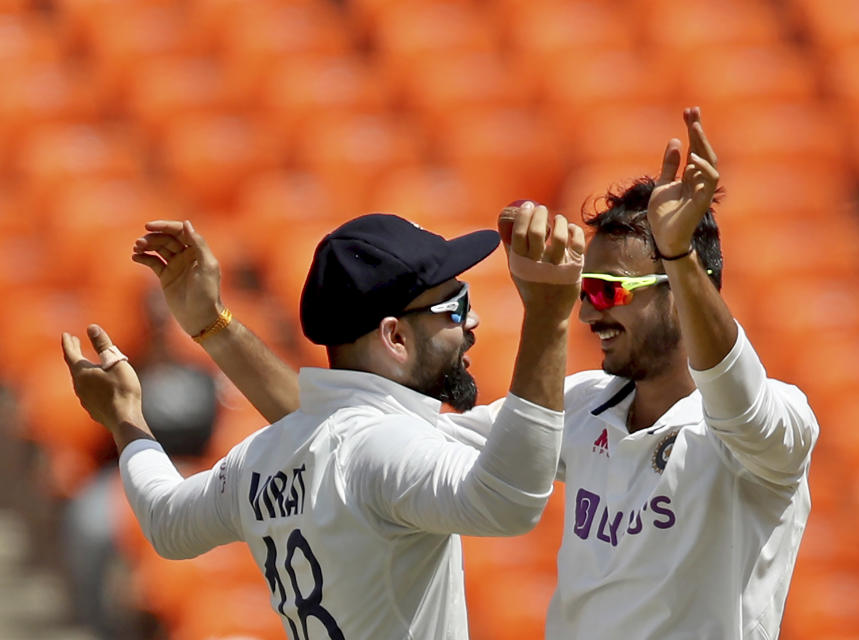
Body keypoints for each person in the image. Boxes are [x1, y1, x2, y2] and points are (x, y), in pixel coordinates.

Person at [131, 107, 818, 638]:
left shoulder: (773, 432)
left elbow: (737, 399)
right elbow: (347, 433)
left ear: (681, 288)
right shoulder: (585, 408)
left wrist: (680, 256)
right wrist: (216, 329)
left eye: (610, 292)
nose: (591, 314)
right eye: (586, 292)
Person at [63, 206, 586, 639]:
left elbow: (165, 522)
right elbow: (509, 502)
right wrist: (549, 313)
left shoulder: (264, 455)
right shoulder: (383, 445)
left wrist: (126, 420)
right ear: (395, 338)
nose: (471, 323)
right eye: (454, 307)